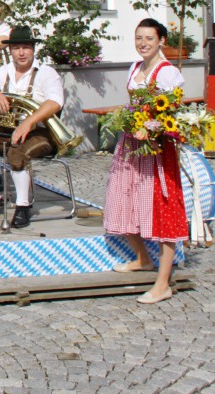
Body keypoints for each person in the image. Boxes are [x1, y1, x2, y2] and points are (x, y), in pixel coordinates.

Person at [104, 18, 188, 304]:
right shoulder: (135, 68)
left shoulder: (168, 73)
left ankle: (163, 283)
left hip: (156, 150)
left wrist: (151, 127)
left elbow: (173, 115)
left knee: (163, 209)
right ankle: (143, 259)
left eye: (149, 38)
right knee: (122, 200)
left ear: (161, 40)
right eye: (139, 38)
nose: (143, 43)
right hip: (130, 146)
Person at [0, 26, 65, 228]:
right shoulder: (5, 72)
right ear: (9, 50)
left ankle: (23, 206)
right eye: (16, 48)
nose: (21, 52)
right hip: (9, 130)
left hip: (41, 131)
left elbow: (55, 102)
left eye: (26, 47)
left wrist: (28, 122)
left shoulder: (46, 73)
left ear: (33, 50)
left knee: (16, 152)